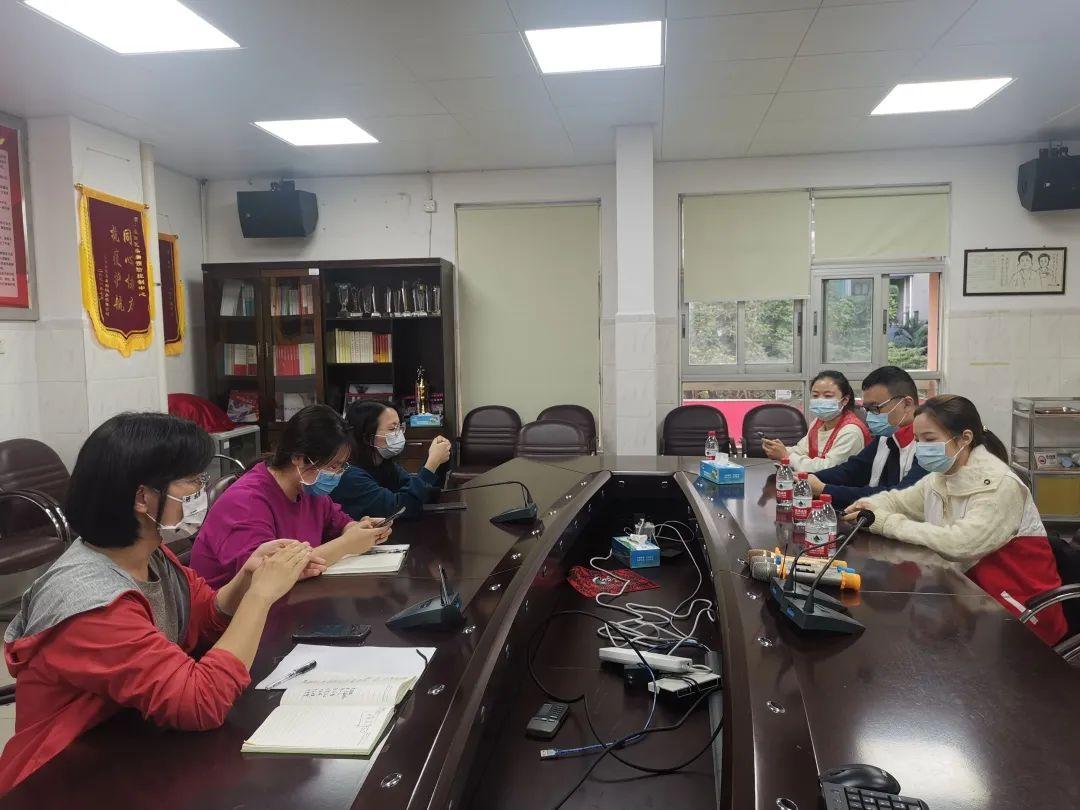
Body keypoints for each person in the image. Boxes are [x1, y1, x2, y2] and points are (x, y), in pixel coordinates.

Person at [0, 413, 319, 793]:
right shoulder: (90, 603)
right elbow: (201, 702)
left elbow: (202, 617)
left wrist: (246, 580)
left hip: (133, 744)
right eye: (192, 481)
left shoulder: (150, 554)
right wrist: (260, 597)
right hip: (60, 780)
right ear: (142, 498)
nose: (201, 491)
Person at [845, 395, 1067, 646]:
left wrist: (886, 523)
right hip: (968, 598)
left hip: (1018, 615)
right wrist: (868, 506)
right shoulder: (940, 477)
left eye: (929, 439)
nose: (921, 448)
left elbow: (960, 544)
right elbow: (899, 501)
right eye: (917, 440)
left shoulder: (1001, 486)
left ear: (965, 438)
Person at [190, 404, 391, 587]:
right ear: (298, 458)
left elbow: (339, 523)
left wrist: (359, 529)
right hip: (233, 611)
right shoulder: (245, 501)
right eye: (332, 466)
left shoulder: (309, 488)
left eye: (341, 467)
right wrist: (347, 545)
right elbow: (264, 575)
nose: (337, 474)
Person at [806, 366, 929, 510]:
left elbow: (899, 495)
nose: (870, 416)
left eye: (875, 408)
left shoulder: (929, 445)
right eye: (867, 409)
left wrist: (825, 489)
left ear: (907, 404)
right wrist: (805, 479)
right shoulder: (886, 436)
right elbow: (853, 470)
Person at [332, 400, 451, 520]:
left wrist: (438, 460)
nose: (399, 434)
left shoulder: (384, 464)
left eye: (400, 427)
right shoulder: (349, 475)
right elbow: (400, 509)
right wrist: (431, 464)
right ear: (367, 437)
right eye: (392, 429)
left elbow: (420, 493)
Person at [762, 370, 869, 472]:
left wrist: (786, 456)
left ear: (845, 400)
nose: (820, 400)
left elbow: (829, 468)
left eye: (828, 396)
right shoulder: (818, 422)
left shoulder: (851, 431)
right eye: (815, 395)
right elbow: (802, 450)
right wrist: (779, 449)